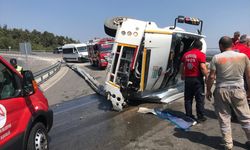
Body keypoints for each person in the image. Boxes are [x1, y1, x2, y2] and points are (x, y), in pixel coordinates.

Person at [206, 36, 250, 150]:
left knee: (224, 118)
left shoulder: (216, 57)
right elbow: (248, 76)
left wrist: (208, 91)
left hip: (221, 90)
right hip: (238, 89)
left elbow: (211, 77)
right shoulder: (243, 56)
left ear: (221, 46)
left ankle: (228, 144)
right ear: (232, 45)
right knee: (245, 117)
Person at [181, 39, 208, 123]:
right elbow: (203, 67)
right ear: (200, 47)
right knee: (199, 98)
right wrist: (207, 76)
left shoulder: (186, 54)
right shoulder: (201, 54)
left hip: (188, 79)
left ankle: (188, 115)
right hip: (197, 79)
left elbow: (182, 65)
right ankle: (200, 117)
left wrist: (182, 75)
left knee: (188, 98)